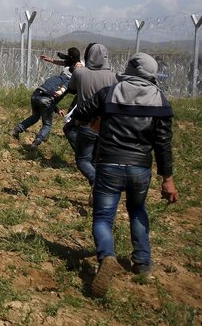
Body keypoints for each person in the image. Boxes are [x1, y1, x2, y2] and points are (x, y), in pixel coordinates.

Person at [71, 53, 177, 297]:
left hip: (108, 164)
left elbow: (80, 113)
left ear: (129, 68)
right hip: (140, 167)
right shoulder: (159, 99)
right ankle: (142, 263)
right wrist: (167, 179)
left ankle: (106, 256)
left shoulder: (110, 92)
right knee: (137, 210)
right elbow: (163, 143)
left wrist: (96, 120)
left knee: (103, 217)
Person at [67, 43, 117, 187]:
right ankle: (96, 193)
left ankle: (98, 183)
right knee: (96, 160)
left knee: (82, 159)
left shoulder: (80, 72)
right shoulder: (113, 76)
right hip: (106, 125)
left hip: (86, 121)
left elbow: (71, 89)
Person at [10, 67, 73, 148]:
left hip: (36, 95)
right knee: (47, 124)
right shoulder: (68, 81)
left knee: (35, 117)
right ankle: (37, 142)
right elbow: (49, 97)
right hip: (47, 99)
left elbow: (47, 93)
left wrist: (56, 109)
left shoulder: (54, 78)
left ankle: (16, 130)